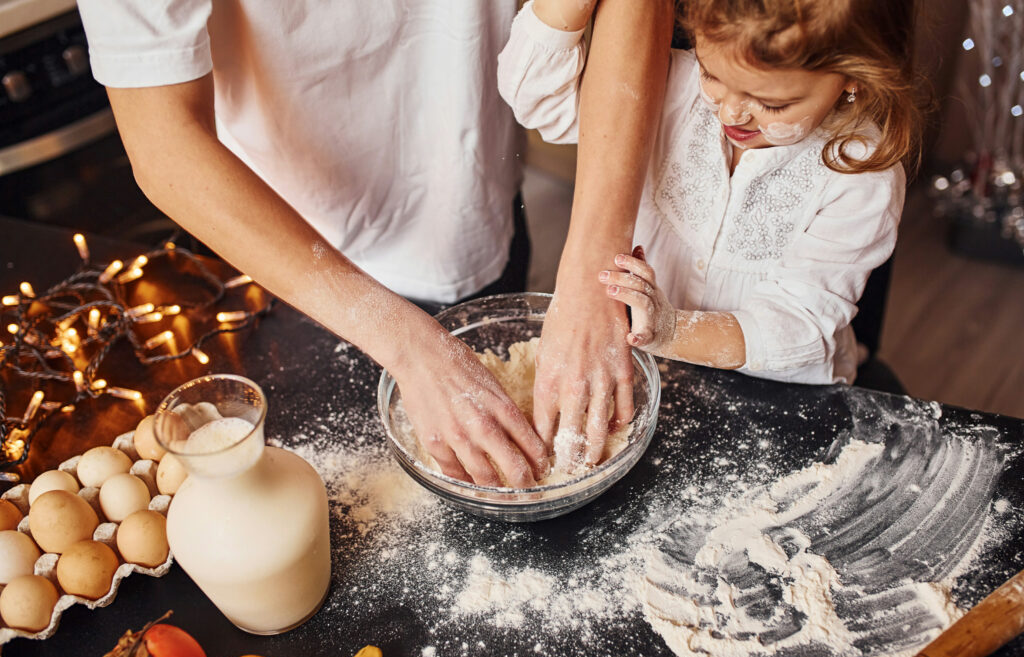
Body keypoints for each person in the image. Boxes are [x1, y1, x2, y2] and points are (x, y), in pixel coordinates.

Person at [76, 1, 672, 485]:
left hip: (471, 198)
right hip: (283, 259)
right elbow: (164, 142)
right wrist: (405, 345)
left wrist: (594, 265)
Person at [499, 0, 923, 385]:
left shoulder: (862, 177)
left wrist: (671, 331)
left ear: (855, 80)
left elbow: (800, 326)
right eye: (711, 74)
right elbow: (539, 102)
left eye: (771, 104)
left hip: (775, 389)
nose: (731, 112)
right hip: (656, 371)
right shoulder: (667, 85)